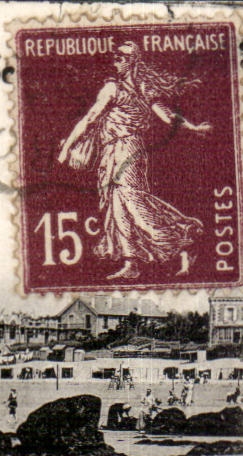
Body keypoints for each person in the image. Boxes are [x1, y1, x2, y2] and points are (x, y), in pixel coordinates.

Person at [56, 40, 210, 281]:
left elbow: (166, 116)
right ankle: (132, 262)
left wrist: (192, 127)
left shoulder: (140, 88)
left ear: (133, 61)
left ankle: (183, 238)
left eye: (122, 56)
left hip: (129, 149)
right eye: (115, 56)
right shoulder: (111, 88)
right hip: (110, 152)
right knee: (116, 206)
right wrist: (68, 145)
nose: (116, 60)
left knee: (133, 201)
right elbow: (90, 118)